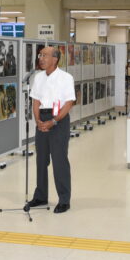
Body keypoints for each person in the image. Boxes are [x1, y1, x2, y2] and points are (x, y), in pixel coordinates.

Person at [25, 46, 76, 214]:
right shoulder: (38, 78)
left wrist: (53, 121)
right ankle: (40, 196)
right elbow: (36, 100)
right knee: (41, 160)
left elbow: (69, 103)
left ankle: (64, 199)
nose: (41, 58)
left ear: (55, 59)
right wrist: (38, 120)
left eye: (45, 55)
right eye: (40, 55)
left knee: (59, 160)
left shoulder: (66, 78)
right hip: (42, 120)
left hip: (58, 121)